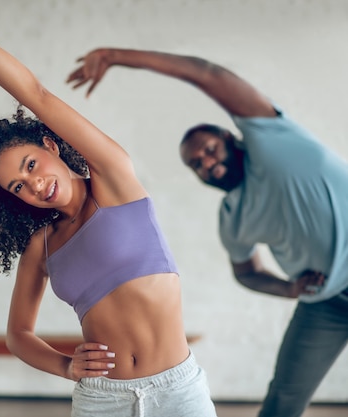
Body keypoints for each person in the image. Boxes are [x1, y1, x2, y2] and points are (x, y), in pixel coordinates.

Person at [0, 3, 217, 416]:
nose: (33, 184)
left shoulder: (114, 179)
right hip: (102, 400)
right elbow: (18, 334)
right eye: (19, 186)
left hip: (177, 391)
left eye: (31, 165)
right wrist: (67, 366)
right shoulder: (42, 246)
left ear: (50, 145)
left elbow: (36, 94)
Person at [67, 48, 348, 417]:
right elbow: (246, 271)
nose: (208, 164)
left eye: (211, 150)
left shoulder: (274, 142)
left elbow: (207, 74)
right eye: (197, 164)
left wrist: (116, 56)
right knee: (283, 399)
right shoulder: (233, 217)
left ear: (233, 139)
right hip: (326, 303)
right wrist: (290, 289)